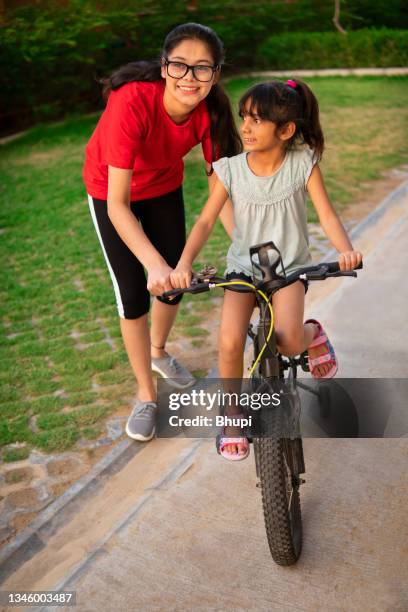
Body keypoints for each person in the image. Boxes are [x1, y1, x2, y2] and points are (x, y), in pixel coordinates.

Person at [168, 79, 363, 460]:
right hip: (243, 269)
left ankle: (314, 334)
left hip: (288, 269)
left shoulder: (302, 163)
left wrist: (346, 251)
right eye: (244, 119)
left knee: (289, 340)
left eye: (257, 121)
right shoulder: (230, 170)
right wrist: (184, 263)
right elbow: (207, 222)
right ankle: (232, 414)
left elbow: (325, 213)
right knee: (228, 341)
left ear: (286, 130)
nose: (246, 128)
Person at [83, 23, 241, 443]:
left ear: (216, 74)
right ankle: (146, 394)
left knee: (174, 286)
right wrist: (152, 263)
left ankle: (158, 352)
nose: (190, 77)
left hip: (163, 187)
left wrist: (245, 245)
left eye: (202, 68)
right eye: (180, 66)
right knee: (135, 294)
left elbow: (220, 195)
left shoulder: (211, 113)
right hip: (111, 192)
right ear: (164, 66)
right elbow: (118, 205)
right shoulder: (132, 100)